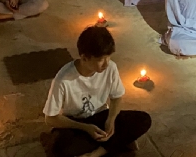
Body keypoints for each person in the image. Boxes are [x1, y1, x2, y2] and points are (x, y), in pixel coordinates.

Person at [43, 26, 152, 156]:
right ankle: (117, 143)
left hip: (101, 117)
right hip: (78, 123)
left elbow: (116, 97)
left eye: (108, 58)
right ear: (84, 58)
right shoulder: (63, 79)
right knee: (59, 148)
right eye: (100, 60)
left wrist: (111, 119)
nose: (106, 64)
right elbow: (50, 118)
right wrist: (86, 128)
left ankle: (97, 152)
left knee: (144, 120)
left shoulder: (110, 68)